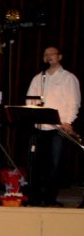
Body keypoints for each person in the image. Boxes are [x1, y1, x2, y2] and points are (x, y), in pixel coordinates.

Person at [26, 46, 81, 207]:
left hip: (58, 128)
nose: (48, 56)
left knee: (54, 164)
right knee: (36, 164)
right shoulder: (38, 78)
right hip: (39, 127)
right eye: (46, 54)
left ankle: (50, 198)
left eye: (52, 54)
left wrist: (68, 121)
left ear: (60, 57)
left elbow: (74, 101)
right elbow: (30, 99)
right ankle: (35, 197)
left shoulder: (68, 78)